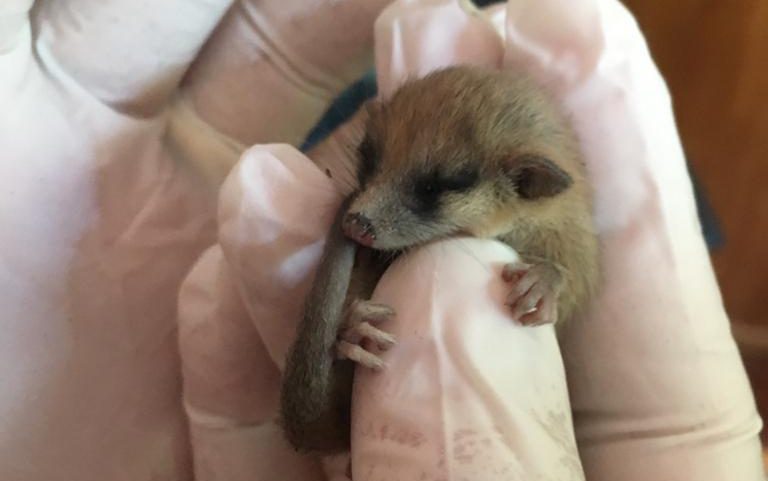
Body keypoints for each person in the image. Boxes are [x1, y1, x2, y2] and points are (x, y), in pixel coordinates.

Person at [0, 0, 763, 480]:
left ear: (526, 185)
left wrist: (550, 283)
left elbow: (573, 283)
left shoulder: (551, 215)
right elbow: (313, 404)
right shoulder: (388, 211)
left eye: (431, 191)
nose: (365, 211)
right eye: (371, 165)